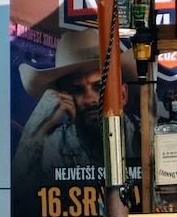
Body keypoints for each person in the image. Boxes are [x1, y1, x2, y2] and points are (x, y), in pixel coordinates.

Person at [13, 27, 136, 187]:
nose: (89, 99)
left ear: (122, 94)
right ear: (63, 97)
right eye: (77, 90)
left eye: (99, 86)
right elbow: (18, 193)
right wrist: (35, 130)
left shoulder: (144, 137)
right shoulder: (54, 144)